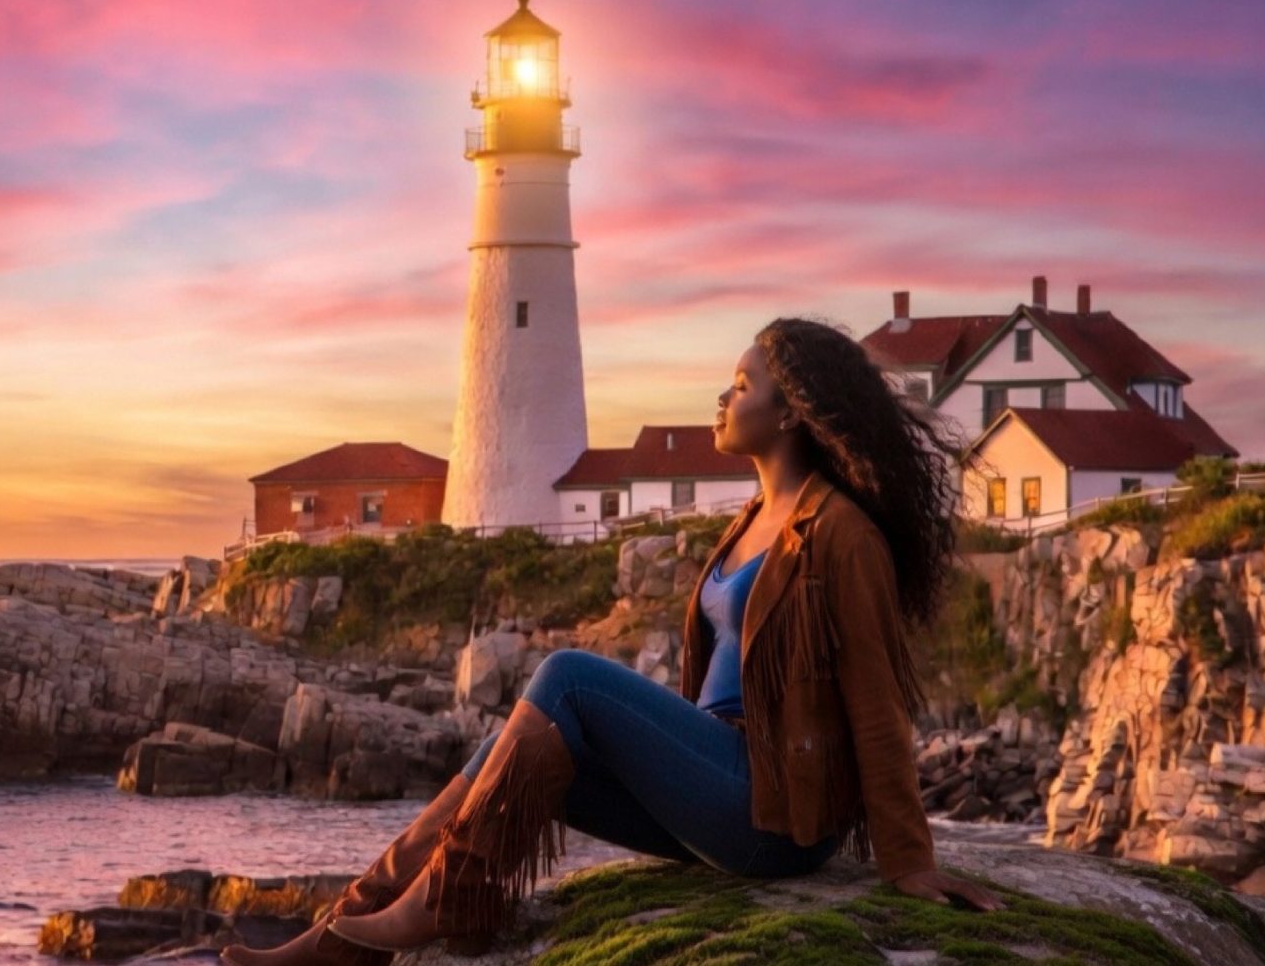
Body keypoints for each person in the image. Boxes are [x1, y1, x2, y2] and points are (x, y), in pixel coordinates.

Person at [221, 318, 1004, 966]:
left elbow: (876, 704)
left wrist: (909, 861)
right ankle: (346, 930)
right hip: (710, 789)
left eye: (742, 385)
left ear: (791, 411)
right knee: (509, 757)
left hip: (768, 811)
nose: (723, 397)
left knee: (567, 677)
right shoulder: (744, 525)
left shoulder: (841, 535)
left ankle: (437, 904)